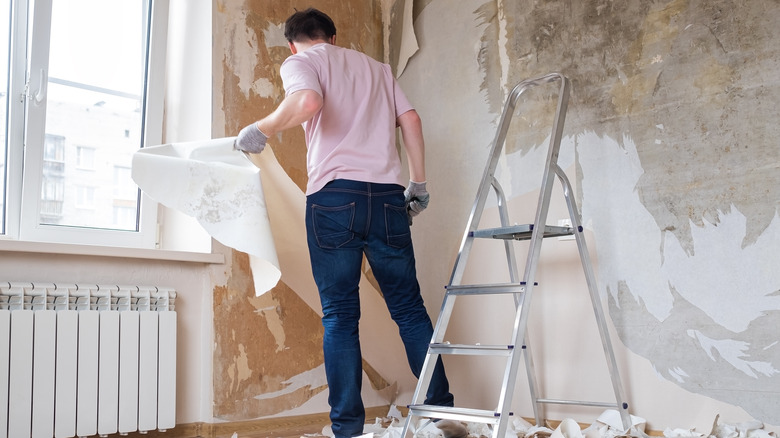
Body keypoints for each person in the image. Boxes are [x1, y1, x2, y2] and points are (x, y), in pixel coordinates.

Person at [233, 7, 454, 438]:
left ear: (293, 44)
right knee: (410, 310)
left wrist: (263, 128)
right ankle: (440, 412)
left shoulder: (299, 62)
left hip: (335, 199)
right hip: (389, 199)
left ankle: (348, 429)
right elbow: (410, 119)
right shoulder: (377, 69)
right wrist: (419, 185)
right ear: (333, 39)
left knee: (339, 316)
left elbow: (308, 101)